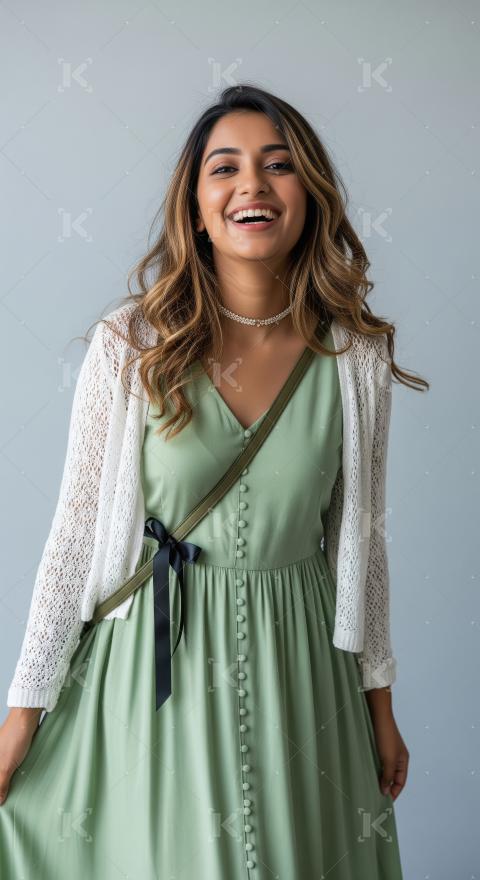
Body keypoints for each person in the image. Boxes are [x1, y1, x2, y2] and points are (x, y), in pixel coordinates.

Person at [0, 83, 426, 879]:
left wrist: (382, 707)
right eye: (223, 169)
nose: (252, 186)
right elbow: (75, 538)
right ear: (196, 207)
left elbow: (361, 544)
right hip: (153, 668)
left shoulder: (355, 354)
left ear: (311, 195)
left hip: (305, 665)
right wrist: (21, 716)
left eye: (279, 165)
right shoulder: (129, 344)